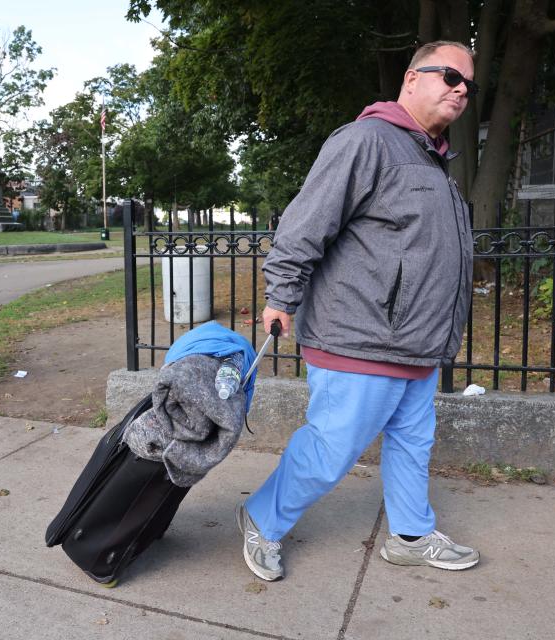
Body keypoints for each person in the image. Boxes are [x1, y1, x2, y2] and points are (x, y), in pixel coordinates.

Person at [237, 41, 479, 581]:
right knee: (331, 450)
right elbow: (304, 225)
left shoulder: (431, 158)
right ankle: (260, 517)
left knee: (413, 444)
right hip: (360, 337)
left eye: (469, 83)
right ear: (412, 78)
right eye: (449, 76)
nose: (461, 89)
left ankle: (411, 535)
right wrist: (281, 295)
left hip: (415, 343)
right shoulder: (366, 141)